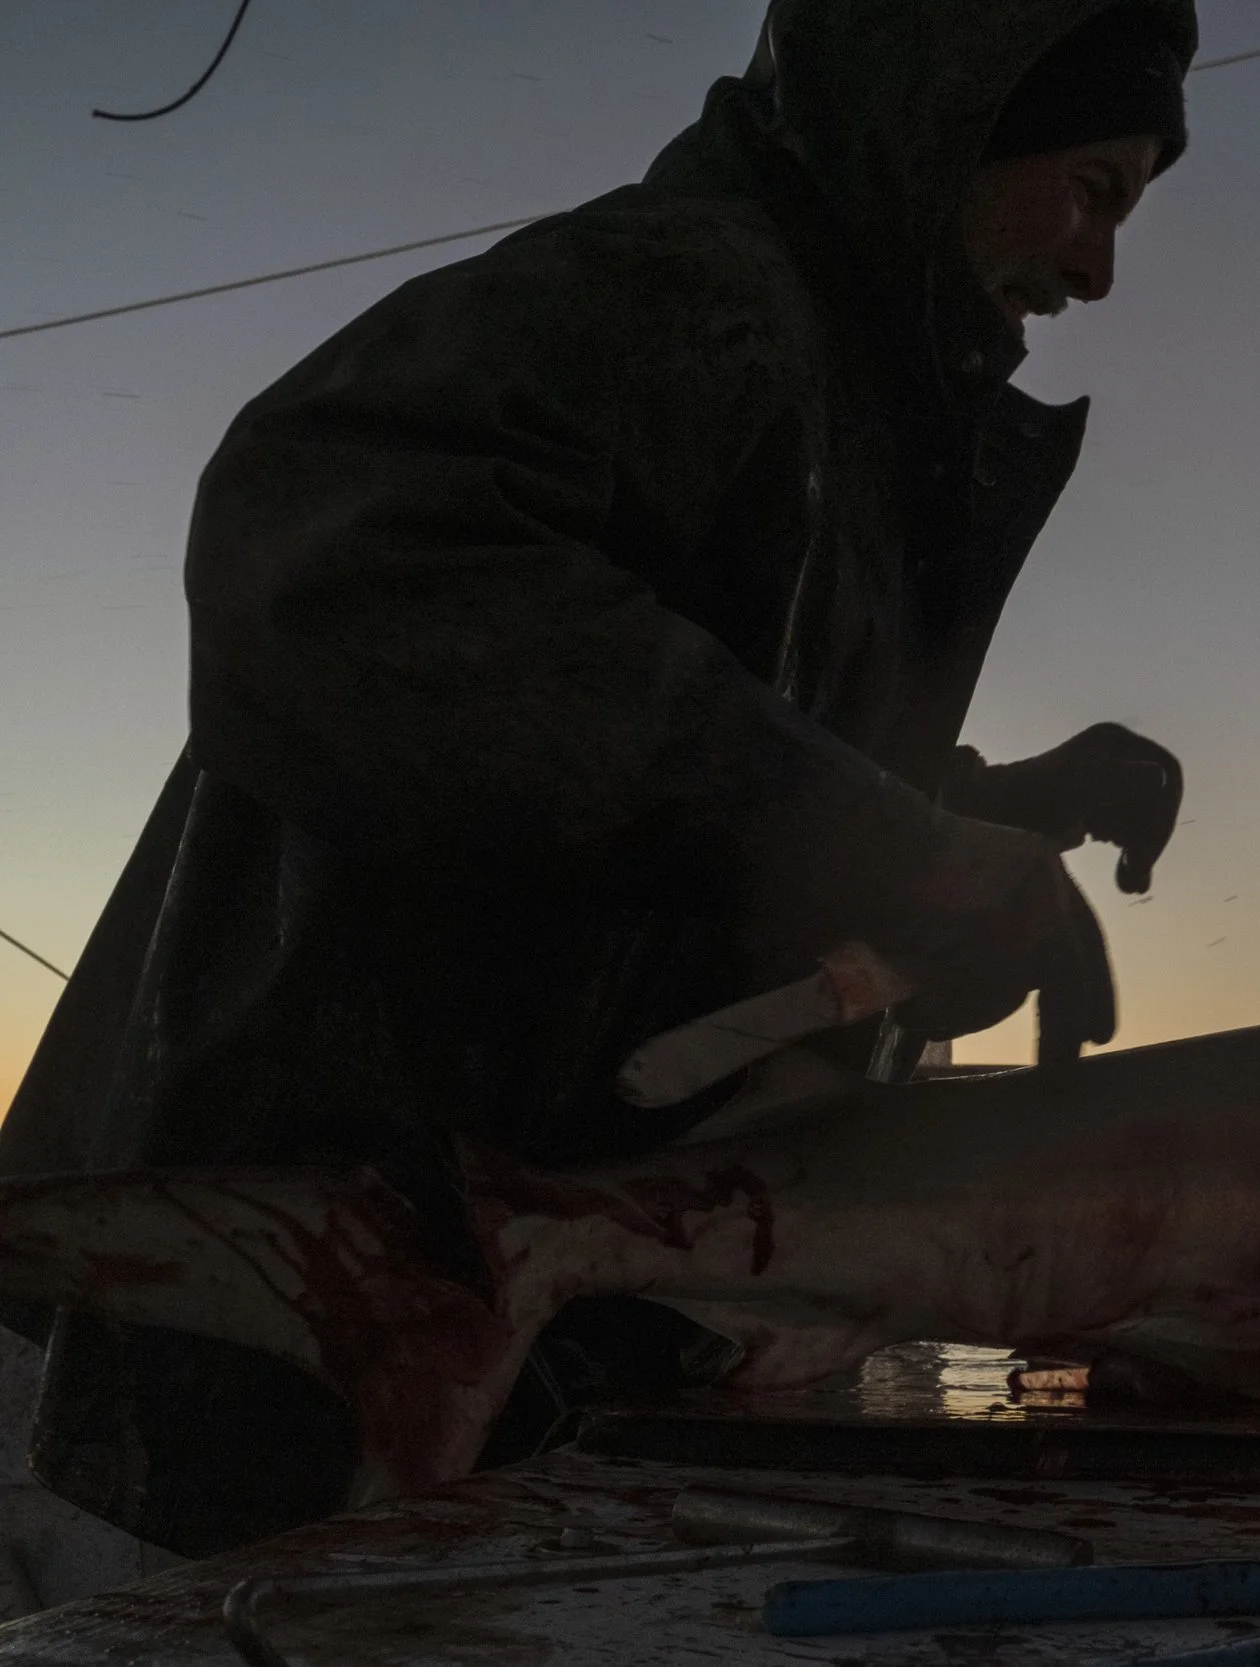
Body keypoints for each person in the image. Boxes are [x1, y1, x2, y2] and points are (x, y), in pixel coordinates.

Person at [0, 0, 1196, 1557]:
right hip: (340, 1303)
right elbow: (334, 555)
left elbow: (716, 769)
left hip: (544, 1334)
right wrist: (895, 848)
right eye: (1096, 188)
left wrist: (994, 807)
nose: (1100, 266)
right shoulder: (700, 286)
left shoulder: (844, 399)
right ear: (956, 119)